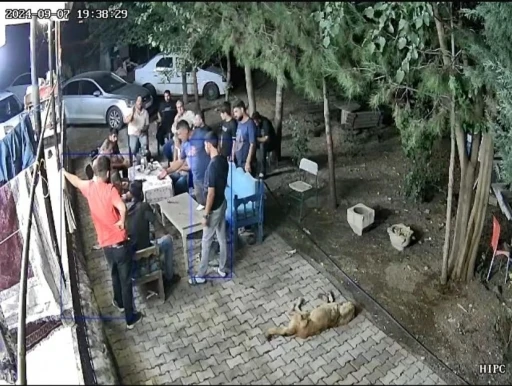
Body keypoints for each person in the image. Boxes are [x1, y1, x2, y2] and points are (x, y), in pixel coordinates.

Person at [63, 156, 143, 329]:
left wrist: (63, 172)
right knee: (126, 280)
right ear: (107, 173)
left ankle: (118, 301)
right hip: (120, 244)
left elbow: (76, 181)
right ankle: (130, 317)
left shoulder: (89, 188)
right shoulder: (110, 190)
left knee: (113, 272)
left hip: (105, 244)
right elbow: (122, 207)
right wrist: (122, 221)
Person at [189, 131, 229, 285]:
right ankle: (222, 268)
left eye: (205, 144)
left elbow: (211, 194)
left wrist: (206, 215)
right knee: (221, 237)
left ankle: (200, 274)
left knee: (206, 241)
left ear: (208, 145)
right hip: (222, 203)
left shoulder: (212, 167)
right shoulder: (223, 160)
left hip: (214, 207)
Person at [126, 181, 180, 289]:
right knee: (168, 240)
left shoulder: (125, 209)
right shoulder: (144, 206)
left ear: (130, 194)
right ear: (142, 194)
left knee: (150, 236)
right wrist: (169, 233)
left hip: (131, 259)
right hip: (144, 255)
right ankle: (170, 277)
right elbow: (158, 226)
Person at [158, 120, 210, 206]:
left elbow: (214, 143)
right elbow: (180, 161)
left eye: (179, 134)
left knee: (211, 203)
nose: (179, 137)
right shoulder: (185, 144)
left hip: (207, 177)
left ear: (186, 131)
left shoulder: (201, 134)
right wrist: (167, 171)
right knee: (202, 204)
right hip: (196, 179)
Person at [232, 100, 257, 175]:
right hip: (238, 162)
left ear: (242, 110)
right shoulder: (239, 123)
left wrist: (248, 162)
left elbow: (252, 144)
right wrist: (233, 155)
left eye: (236, 111)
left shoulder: (250, 124)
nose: (234, 114)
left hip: (246, 164)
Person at [252, 111, 277, 177]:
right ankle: (253, 166)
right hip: (259, 141)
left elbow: (266, 138)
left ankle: (263, 171)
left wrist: (256, 139)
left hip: (270, 143)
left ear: (259, 119)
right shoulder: (255, 124)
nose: (255, 123)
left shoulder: (265, 123)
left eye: (256, 122)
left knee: (262, 146)